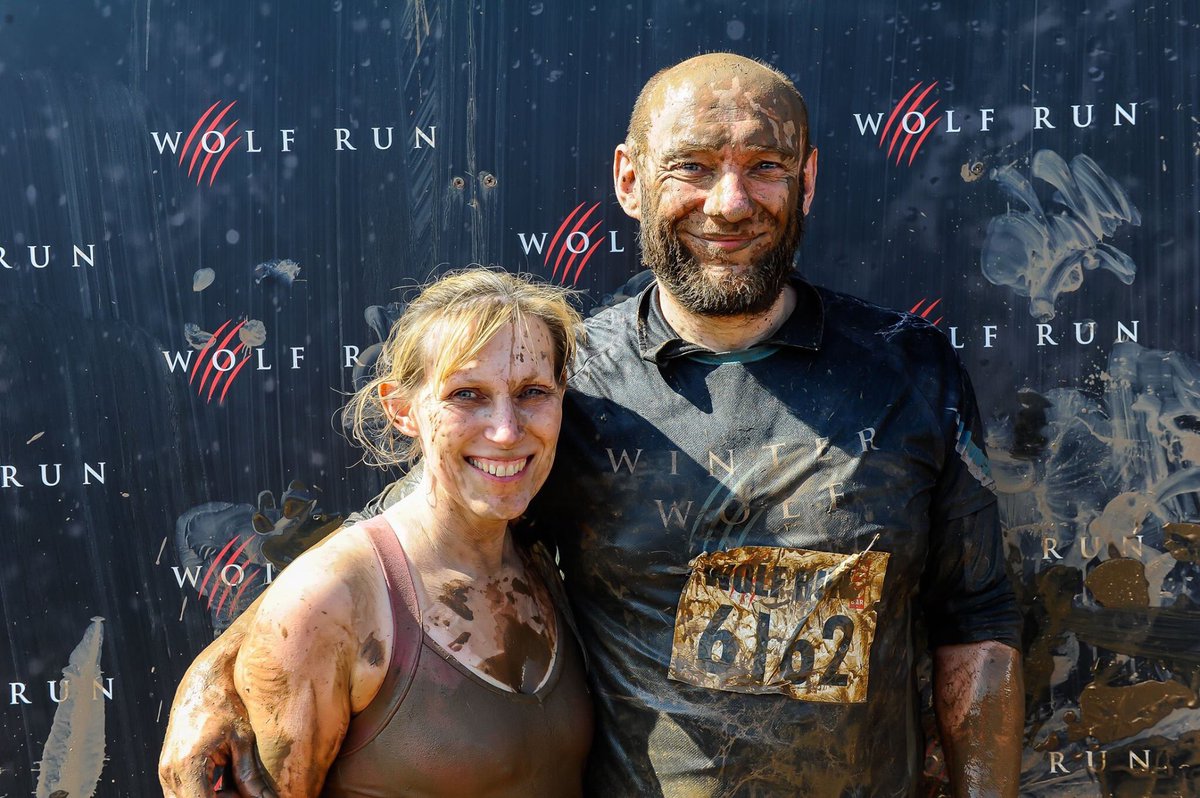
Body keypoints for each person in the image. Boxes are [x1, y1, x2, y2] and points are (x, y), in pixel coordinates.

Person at [160, 53, 1023, 797]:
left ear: (808, 178)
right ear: (629, 180)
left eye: (765, 165)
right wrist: (221, 667)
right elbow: (415, 539)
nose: (731, 201)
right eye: (693, 165)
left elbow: (976, 617)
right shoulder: (565, 383)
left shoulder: (912, 371)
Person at [160, 269, 592, 796]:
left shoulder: (547, 560)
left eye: (532, 392)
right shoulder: (331, 601)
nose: (505, 430)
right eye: (466, 394)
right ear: (402, 409)